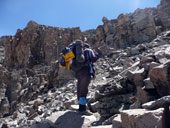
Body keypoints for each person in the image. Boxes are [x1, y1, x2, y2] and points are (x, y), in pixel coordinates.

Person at [74, 42, 99, 114]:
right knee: (84, 90)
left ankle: (80, 107)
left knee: (79, 89)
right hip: (86, 72)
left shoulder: (77, 53)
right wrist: (98, 54)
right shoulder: (89, 50)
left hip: (78, 73)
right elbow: (93, 59)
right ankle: (83, 109)